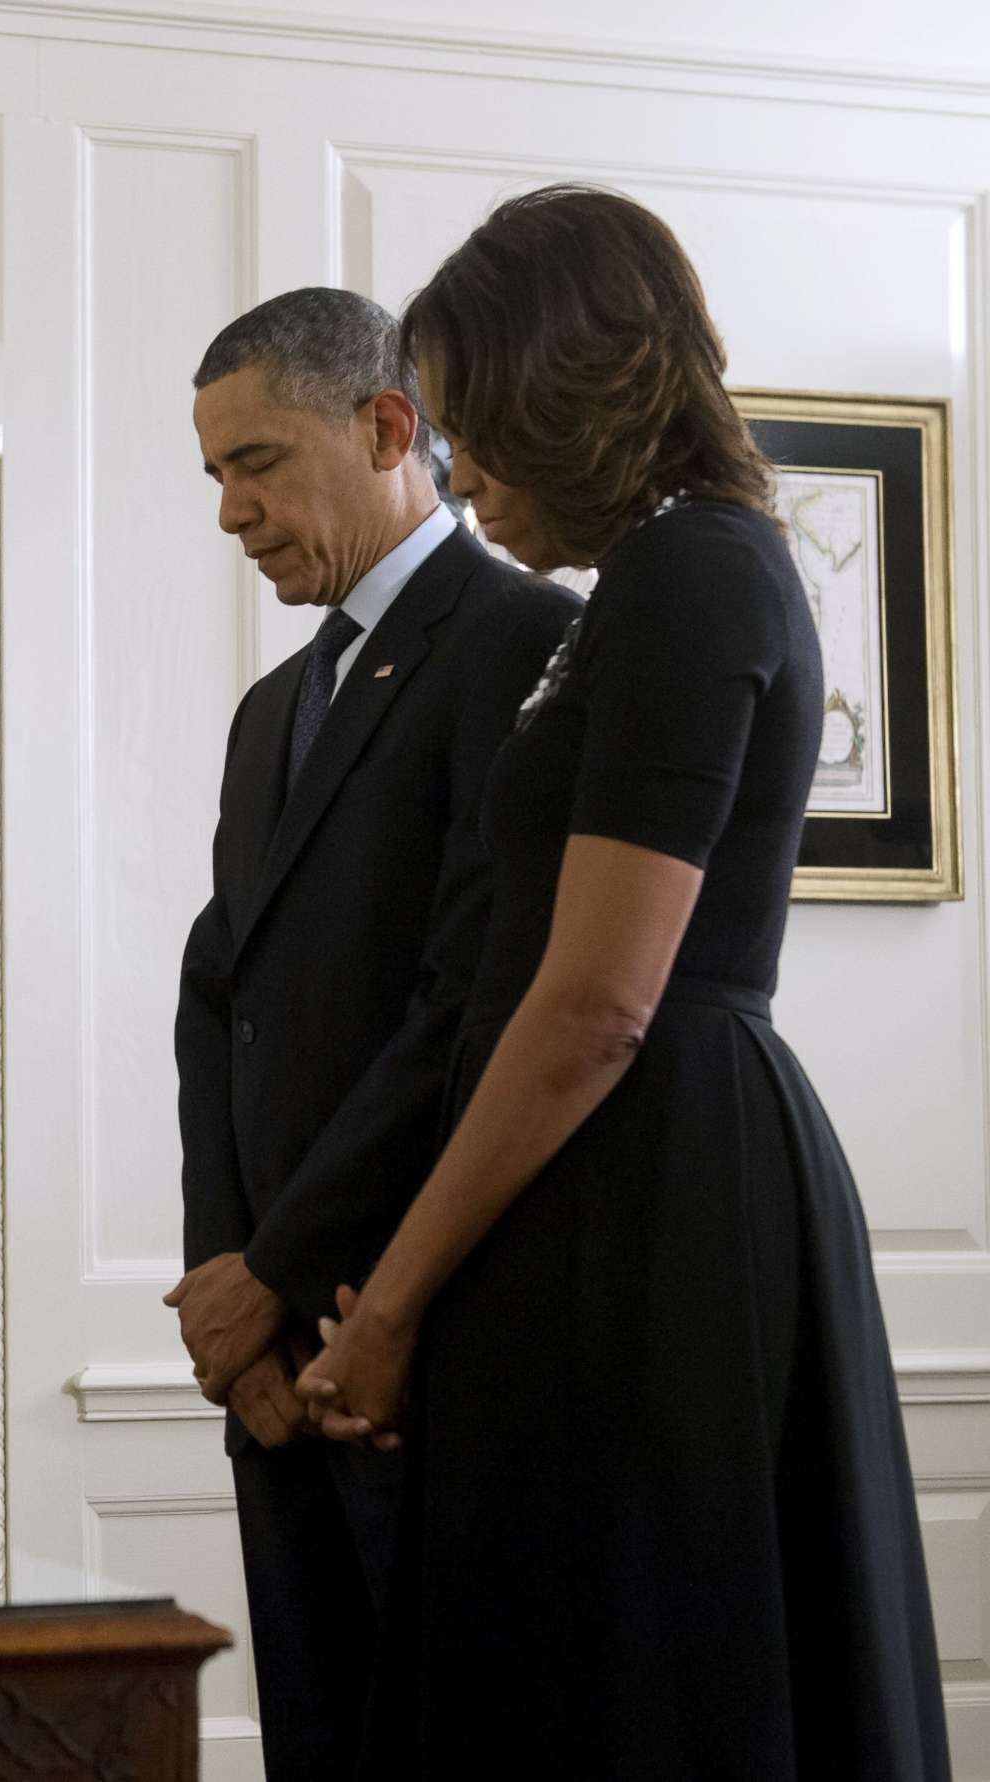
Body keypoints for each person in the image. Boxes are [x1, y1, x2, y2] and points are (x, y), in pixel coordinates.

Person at [301, 185, 951, 1780]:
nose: (458, 474)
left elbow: (595, 1004)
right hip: (616, 1186)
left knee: (643, 1686)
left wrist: (391, 1304)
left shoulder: (696, 576)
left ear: (565, 389)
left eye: (473, 427)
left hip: (657, 1192)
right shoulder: (655, 582)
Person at [171, 287, 579, 1779]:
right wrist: (237, 1305)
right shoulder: (271, 708)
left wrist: (283, 1273)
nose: (231, 510)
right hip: (273, 1364)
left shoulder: (532, 639)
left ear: (389, 427)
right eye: (214, 473)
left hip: (424, 1345)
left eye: (259, 463)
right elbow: (219, 994)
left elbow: (475, 1000)